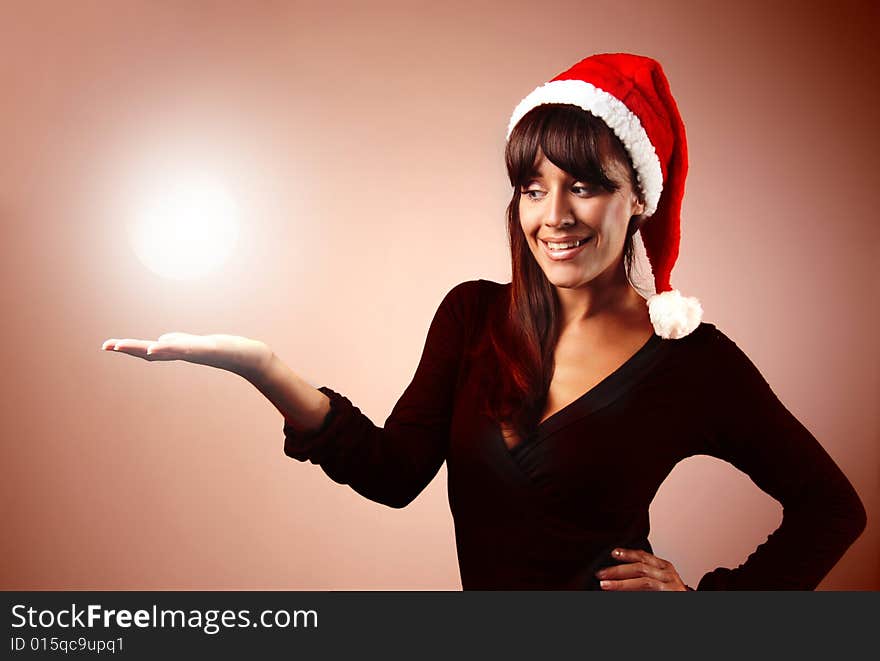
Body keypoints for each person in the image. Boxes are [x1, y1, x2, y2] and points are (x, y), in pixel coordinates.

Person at [102, 53, 867, 590]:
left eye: (586, 186)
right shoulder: (471, 315)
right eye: (533, 188)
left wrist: (706, 609)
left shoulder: (691, 360)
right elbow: (395, 472)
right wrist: (261, 365)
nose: (555, 216)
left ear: (639, 197)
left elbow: (833, 509)